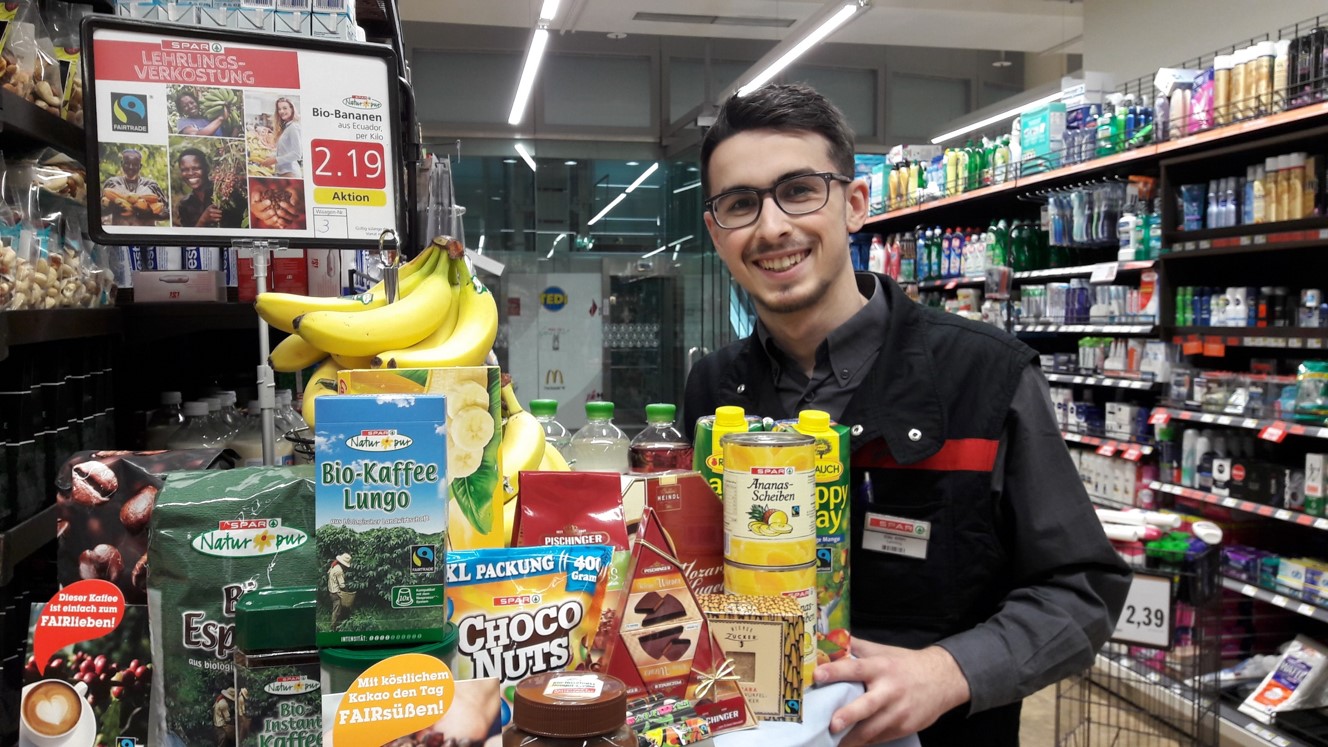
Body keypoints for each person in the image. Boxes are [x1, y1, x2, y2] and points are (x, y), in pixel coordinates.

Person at [682, 83, 1131, 747]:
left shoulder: (986, 374)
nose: (771, 226)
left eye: (799, 190)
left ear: (855, 204)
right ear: (717, 232)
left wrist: (951, 671)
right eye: (740, 204)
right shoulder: (712, 390)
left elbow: (1082, 588)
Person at [174, 148, 244, 229]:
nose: (190, 173)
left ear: (206, 168)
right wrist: (203, 220)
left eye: (196, 168)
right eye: (185, 170)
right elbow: (189, 235)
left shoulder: (225, 191)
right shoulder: (184, 205)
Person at [102, 148, 167, 226]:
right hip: (119, 232)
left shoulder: (151, 185)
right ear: (122, 164)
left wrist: (150, 214)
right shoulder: (112, 183)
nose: (131, 167)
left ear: (140, 166)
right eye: (127, 163)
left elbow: (167, 211)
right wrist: (111, 208)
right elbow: (98, 209)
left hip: (146, 232)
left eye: (135, 164)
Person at [260, 97, 302, 178]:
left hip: (290, 173)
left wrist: (275, 160)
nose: (281, 111)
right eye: (279, 109)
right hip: (282, 173)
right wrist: (271, 157)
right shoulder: (286, 127)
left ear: (292, 109)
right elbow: (284, 151)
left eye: (285, 108)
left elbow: (297, 154)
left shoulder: (294, 127)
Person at [328, 552, 351, 630]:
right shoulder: (339, 570)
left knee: (338, 610)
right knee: (336, 611)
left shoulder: (335, 566)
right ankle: (333, 627)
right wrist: (347, 592)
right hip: (335, 593)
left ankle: (337, 626)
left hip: (332, 591)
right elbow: (342, 585)